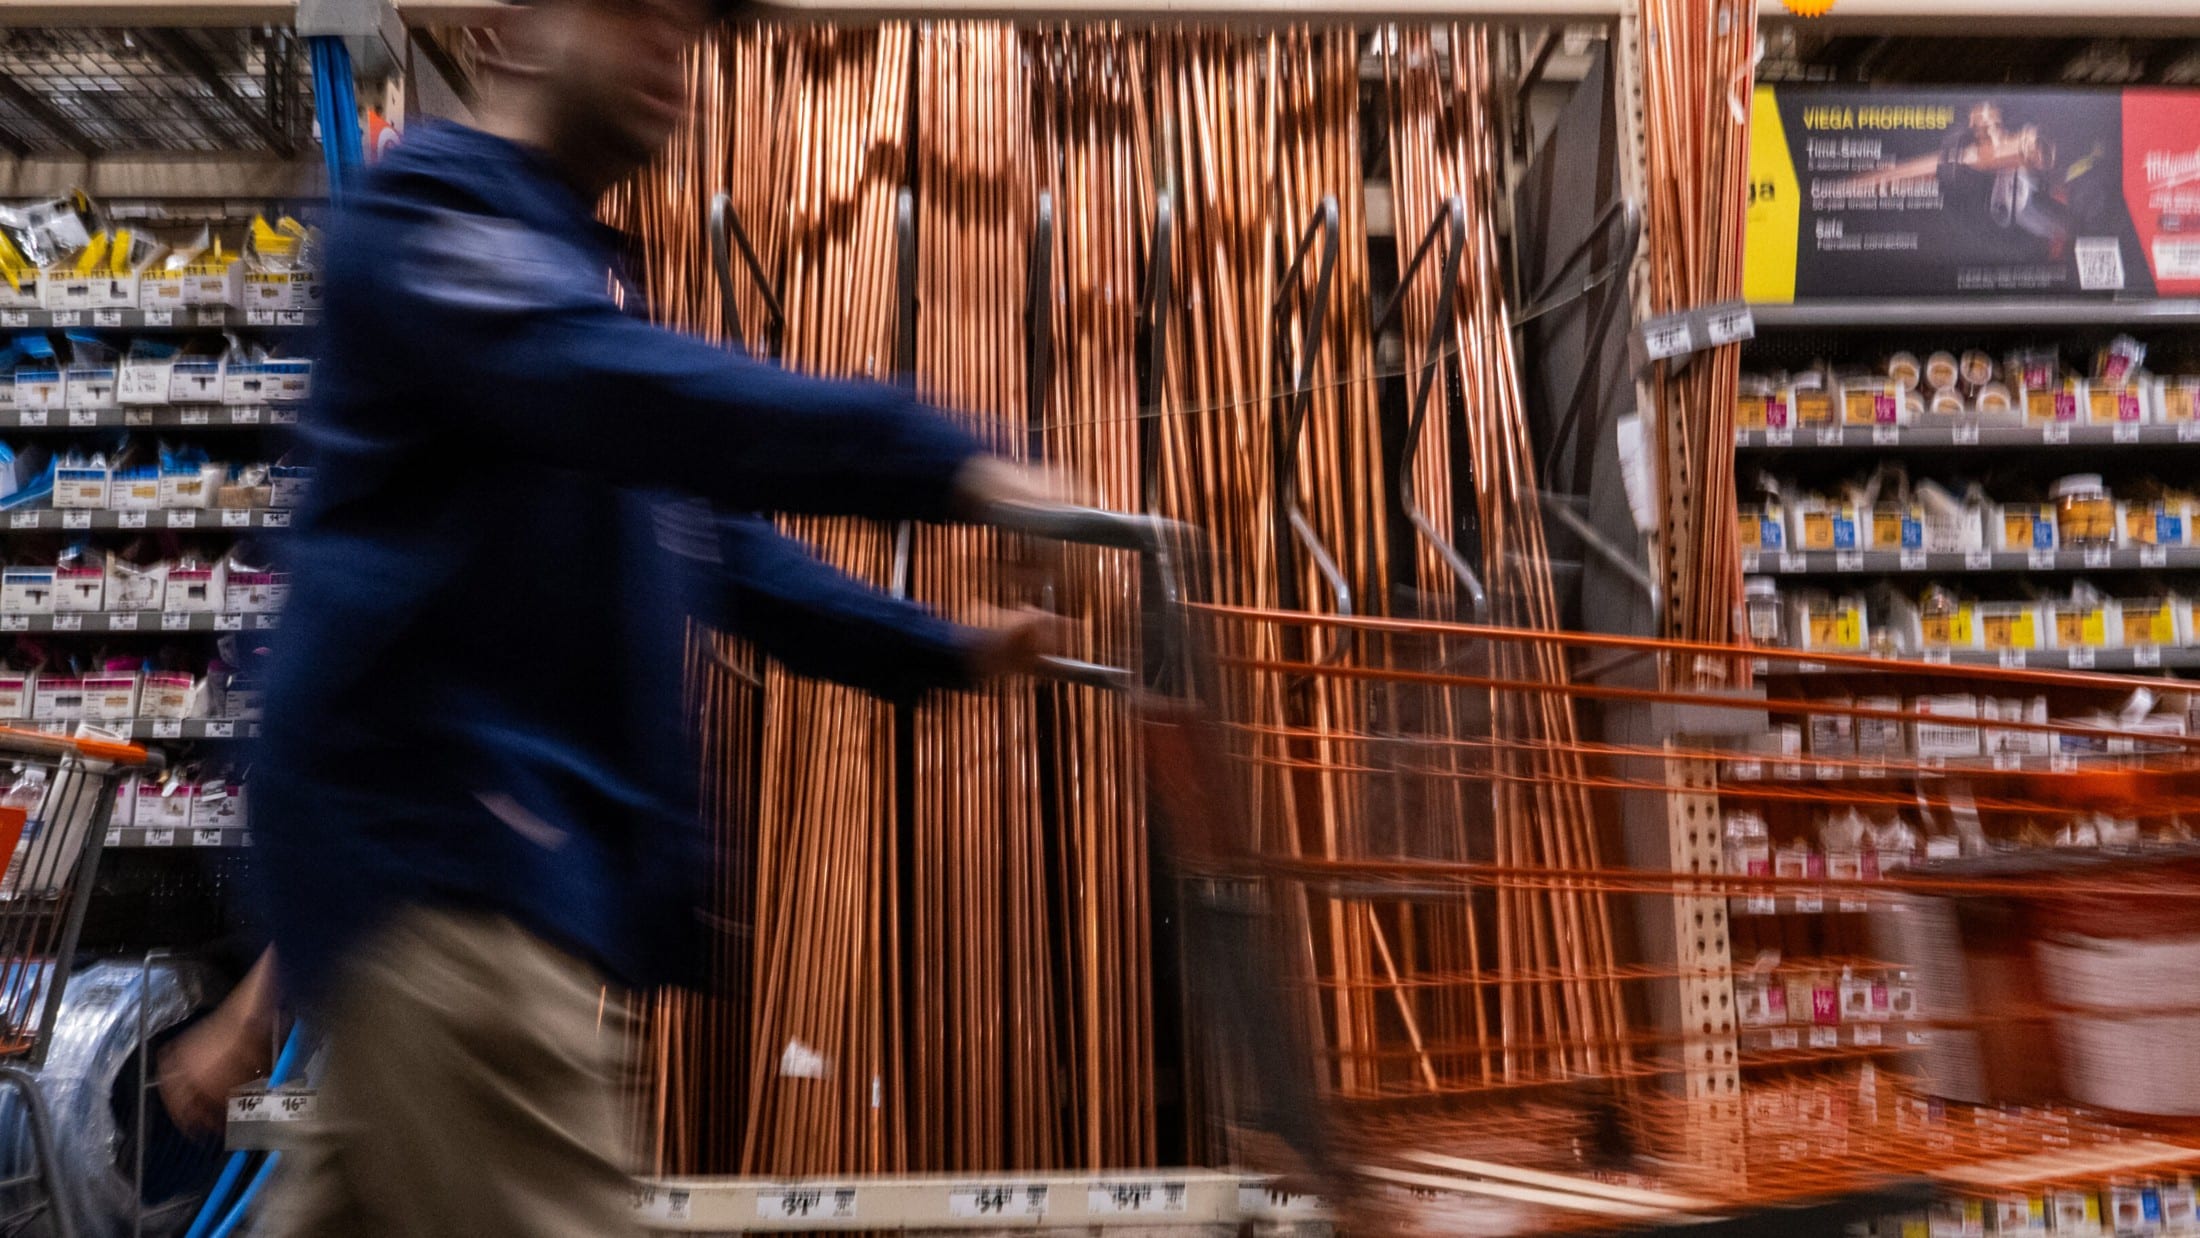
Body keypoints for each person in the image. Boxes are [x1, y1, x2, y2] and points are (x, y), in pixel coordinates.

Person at [235, 0, 1065, 1230]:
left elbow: (712, 542)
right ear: (506, 30)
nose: (671, 42)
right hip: (456, 888)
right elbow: (636, 398)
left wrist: (934, 649)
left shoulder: (571, 275)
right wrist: (952, 461)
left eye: (686, 21)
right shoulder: (432, 222)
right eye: (631, 9)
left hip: (440, 897)